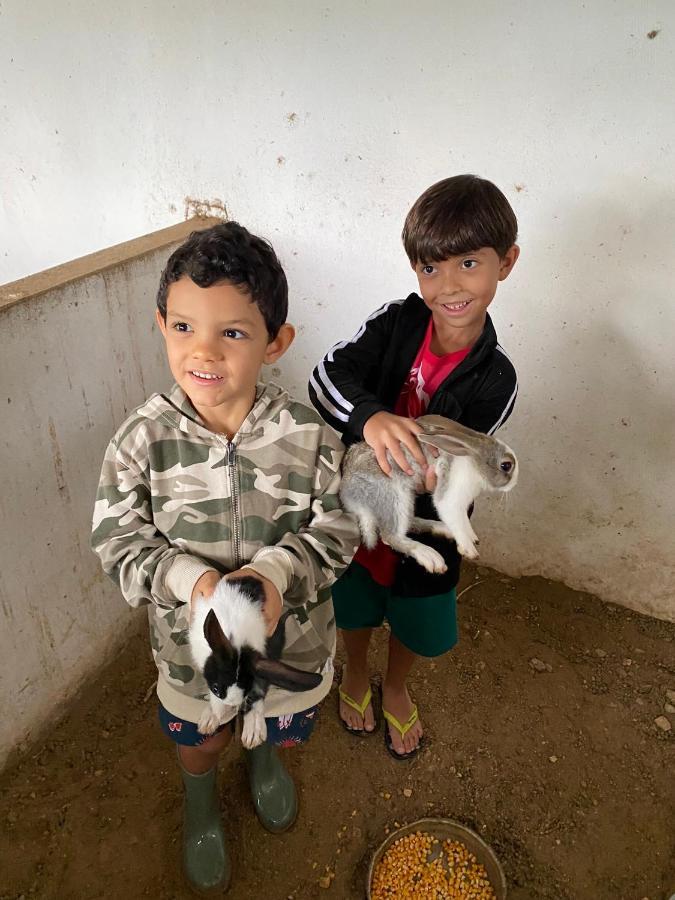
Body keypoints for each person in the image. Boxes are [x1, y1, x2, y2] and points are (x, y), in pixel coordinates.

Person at [92, 222, 359, 893]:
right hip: (191, 654)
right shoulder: (139, 442)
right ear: (160, 324)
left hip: (287, 643)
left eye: (232, 333)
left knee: (269, 716)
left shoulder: (308, 438)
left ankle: (265, 760)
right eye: (183, 328)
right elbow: (118, 539)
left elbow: (341, 525)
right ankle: (201, 801)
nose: (202, 352)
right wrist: (194, 580)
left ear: (276, 343)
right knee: (202, 733)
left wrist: (276, 572)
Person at [308, 174, 520, 760]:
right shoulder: (396, 321)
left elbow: (465, 461)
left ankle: (395, 684)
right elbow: (328, 377)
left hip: (427, 522)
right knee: (354, 601)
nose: (447, 285)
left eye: (469, 264)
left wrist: (434, 478)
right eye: (430, 268)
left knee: (414, 612)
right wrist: (372, 419)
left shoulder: (497, 380)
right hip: (359, 507)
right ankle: (355, 673)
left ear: (507, 262)